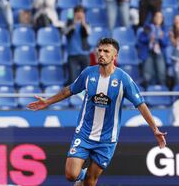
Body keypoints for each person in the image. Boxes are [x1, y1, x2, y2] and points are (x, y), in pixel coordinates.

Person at [27, 38, 167, 186]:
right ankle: (83, 175)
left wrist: (155, 129)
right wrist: (48, 101)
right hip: (85, 133)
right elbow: (69, 90)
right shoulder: (88, 73)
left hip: (107, 139)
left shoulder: (123, 79)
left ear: (115, 56)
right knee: (71, 174)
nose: (101, 53)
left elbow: (141, 105)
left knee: (90, 182)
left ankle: (86, 178)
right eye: (99, 50)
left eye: (106, 51)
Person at [64, 5, 91, 84]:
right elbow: (65, 32)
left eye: (81, 12)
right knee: (73, 79)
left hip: (84, 54)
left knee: (86, 79)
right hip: (72, 55)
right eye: (77, 12)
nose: (79, 14)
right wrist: (73, 24)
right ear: (74, 13)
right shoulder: (69, 23)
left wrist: (83, 23)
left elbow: (88, 33)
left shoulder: (86, 24)